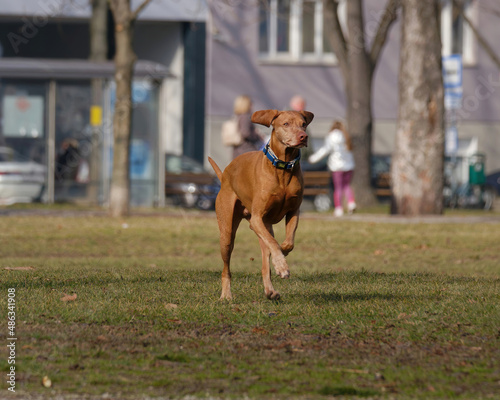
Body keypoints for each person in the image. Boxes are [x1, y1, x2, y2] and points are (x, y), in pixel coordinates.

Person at [308, 120, 356, 217]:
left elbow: (326, 149)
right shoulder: (346, 136)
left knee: (338, 187)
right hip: (349, 166)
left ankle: (339, 208)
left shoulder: (331, 136)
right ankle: (351, 203)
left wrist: (313, 159)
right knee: (346, 186)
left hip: (337, 166)